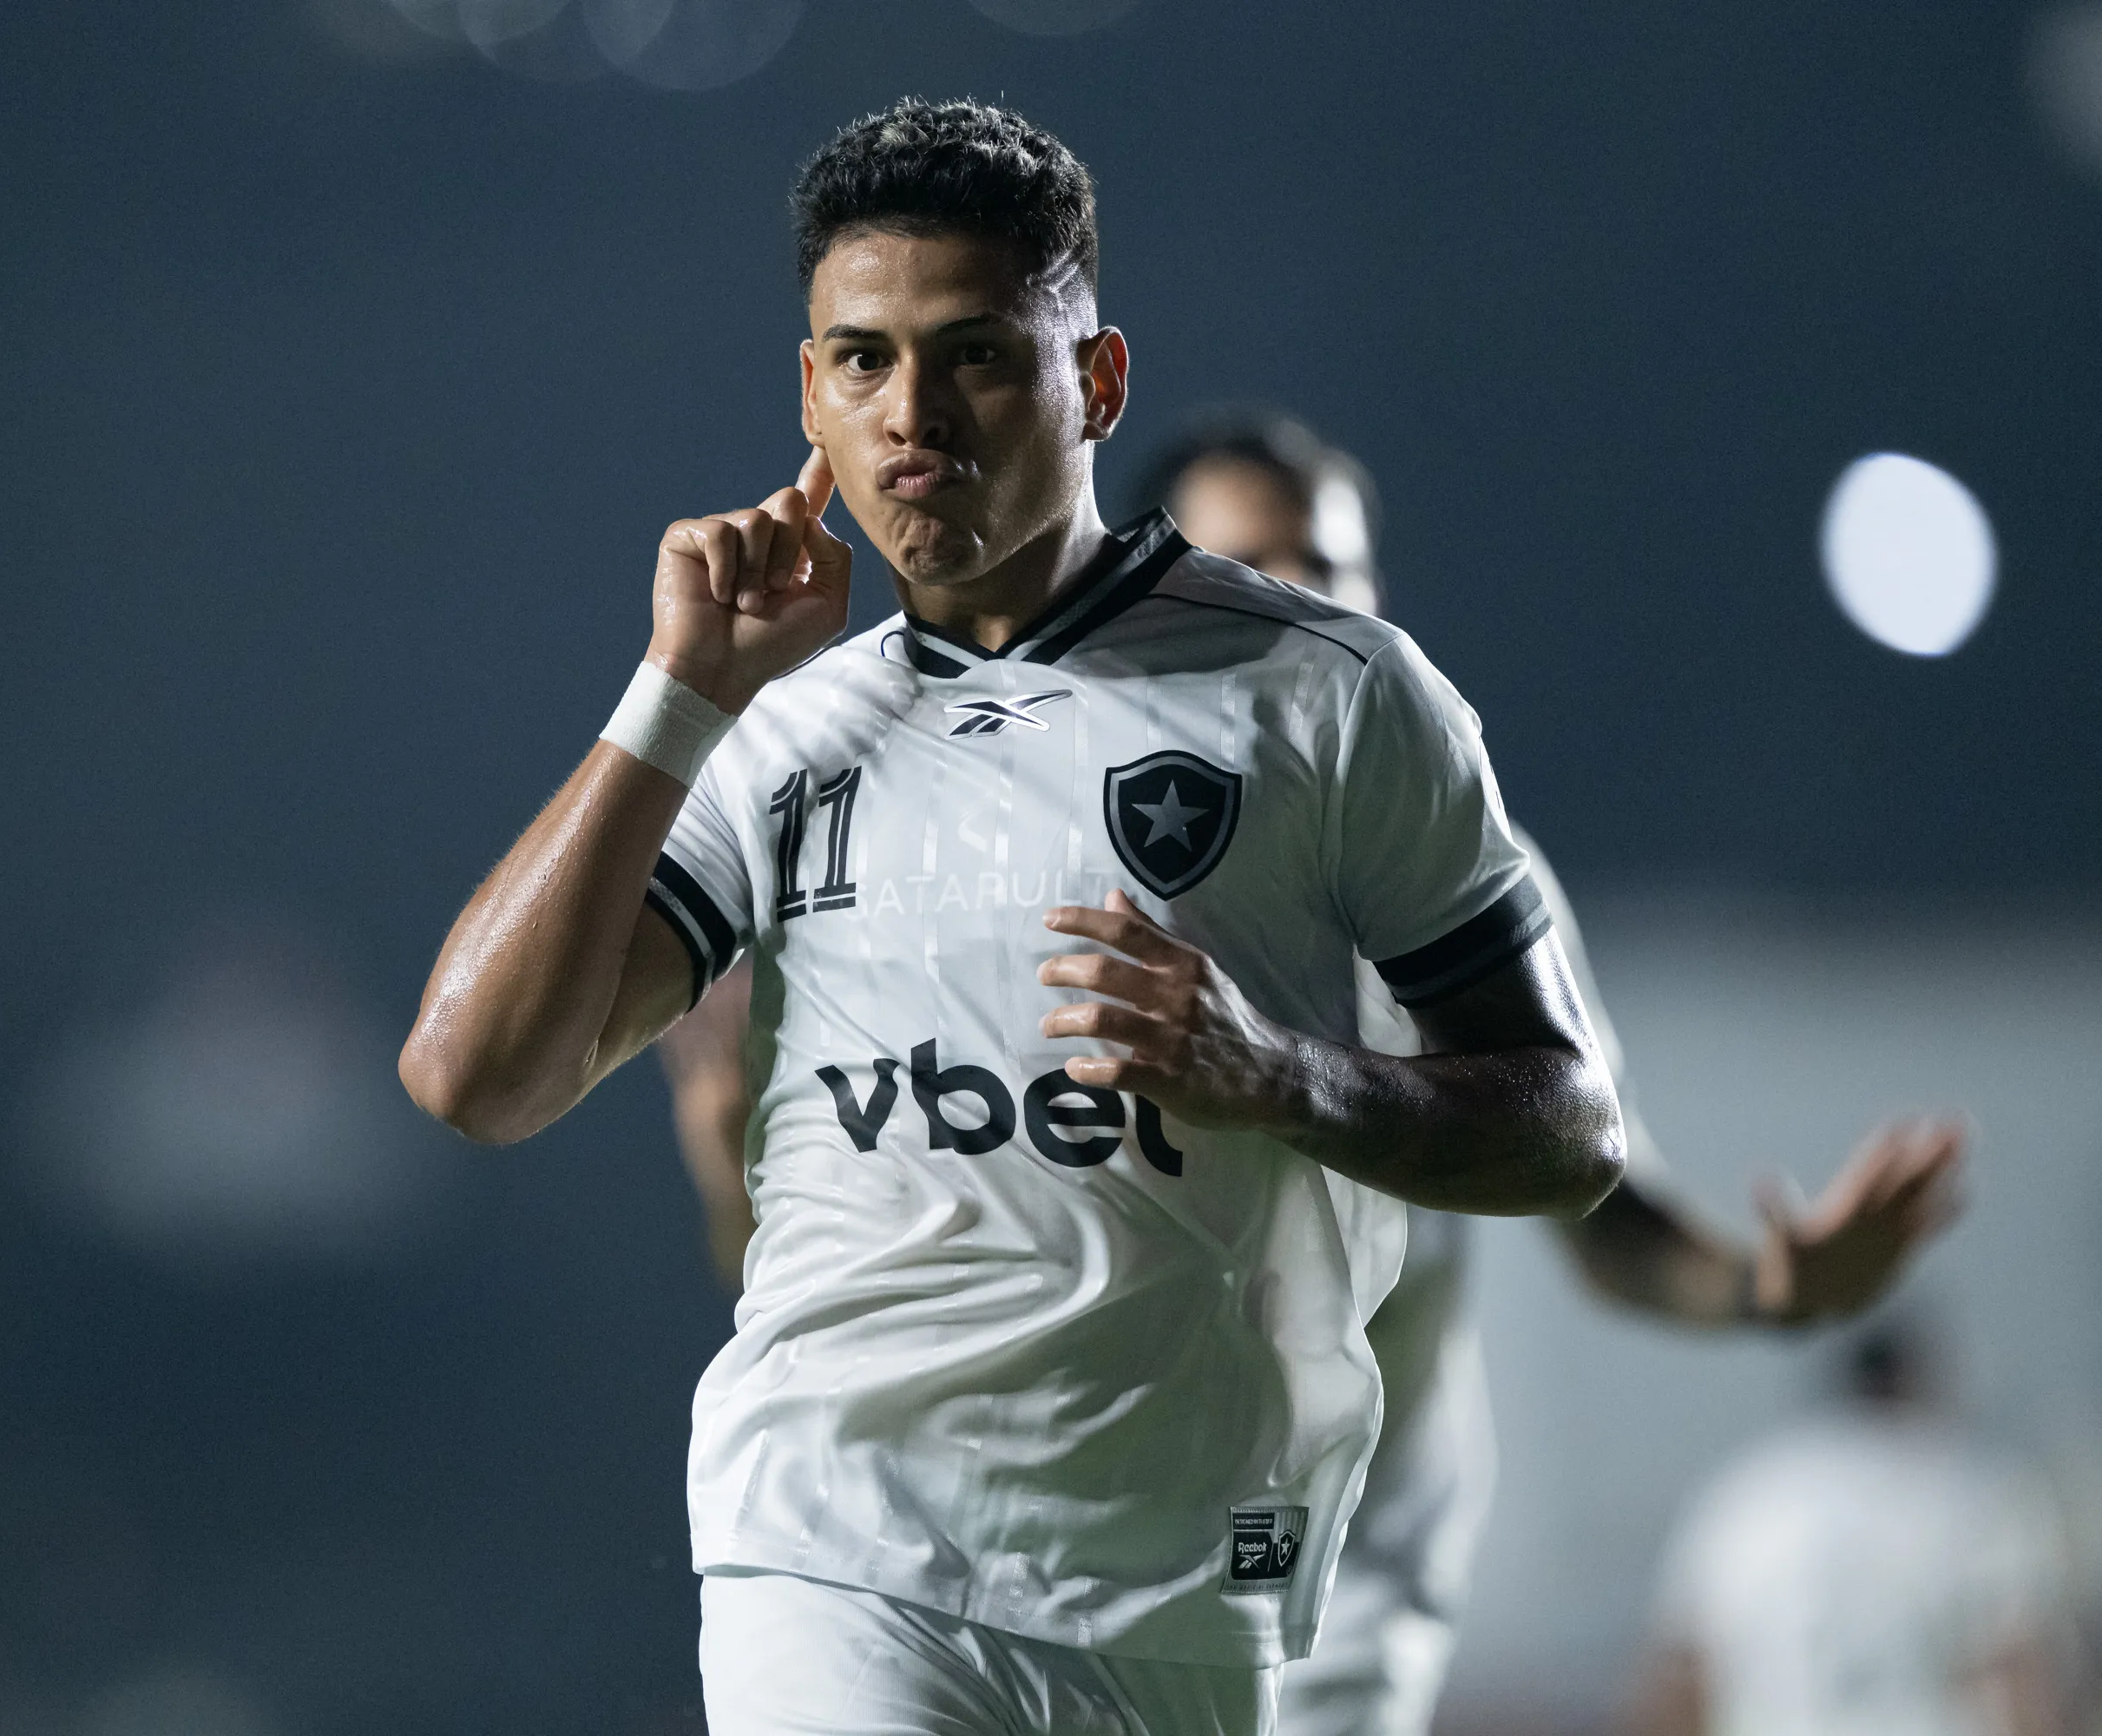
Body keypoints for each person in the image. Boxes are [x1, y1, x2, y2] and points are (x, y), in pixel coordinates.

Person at [400, 99, 1625, 1736]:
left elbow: (1567, 1128)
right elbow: (474, 1078)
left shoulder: (1333, 696)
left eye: (974, 355)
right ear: (812, 396)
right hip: (835, 1549)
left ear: (1095, 383)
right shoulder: (775, 728)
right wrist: (675, 692)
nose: (912, 414)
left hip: (1183, 1586)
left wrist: (1280, 1079)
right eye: (862, 361)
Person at [661, 405, 1971, 1736]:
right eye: (1254, 565)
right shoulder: (1037, 854)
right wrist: (730, 1162)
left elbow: (1596, 1197)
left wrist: (1772, 1289)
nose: (1300, 598)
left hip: (1336, 1585)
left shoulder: (1458, 882)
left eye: (1332, 566)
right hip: (1065, 1552)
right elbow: (837, 1262)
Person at [1633, 1319, 2068, 1736]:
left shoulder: (1745, 1495)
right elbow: (2019, 1669)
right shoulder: (1974, 1490)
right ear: (1917, 1380)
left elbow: (1681, 1674)